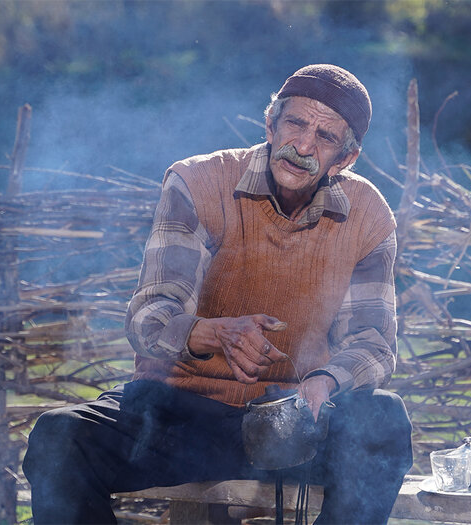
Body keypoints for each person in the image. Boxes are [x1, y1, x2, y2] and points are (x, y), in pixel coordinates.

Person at [23, 64, 412, 524]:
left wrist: (322, 383)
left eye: (326, 137)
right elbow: (150, 314)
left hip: (292, 419)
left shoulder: (368, 216)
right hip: (178, 415)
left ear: (345, 158)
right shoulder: (199, 183)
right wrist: (212, 334)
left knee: (384, 422)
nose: (304, 146)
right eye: (295, 124)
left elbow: (373, 341)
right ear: (270, 125)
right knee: (59, 437)